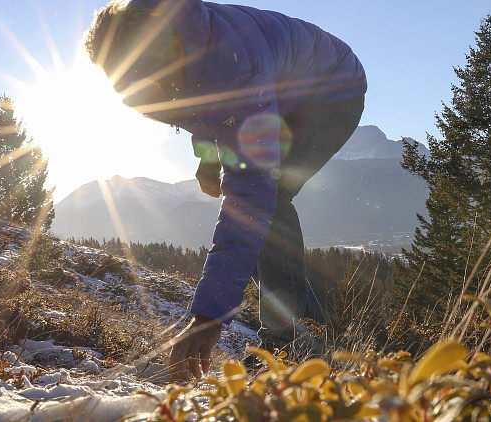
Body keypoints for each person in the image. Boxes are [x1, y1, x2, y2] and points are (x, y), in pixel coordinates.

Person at [84, 0, 367, 381]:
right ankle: (312, 334)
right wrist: (208, 159)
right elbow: (198, 108)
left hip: (332, 91)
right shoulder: (166, 62)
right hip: (278, 87)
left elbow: (251, 195)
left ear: (170, 53)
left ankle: (285, 344)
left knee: (272, 199)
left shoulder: (233, 70)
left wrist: (208, 318)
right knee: (267, 209)